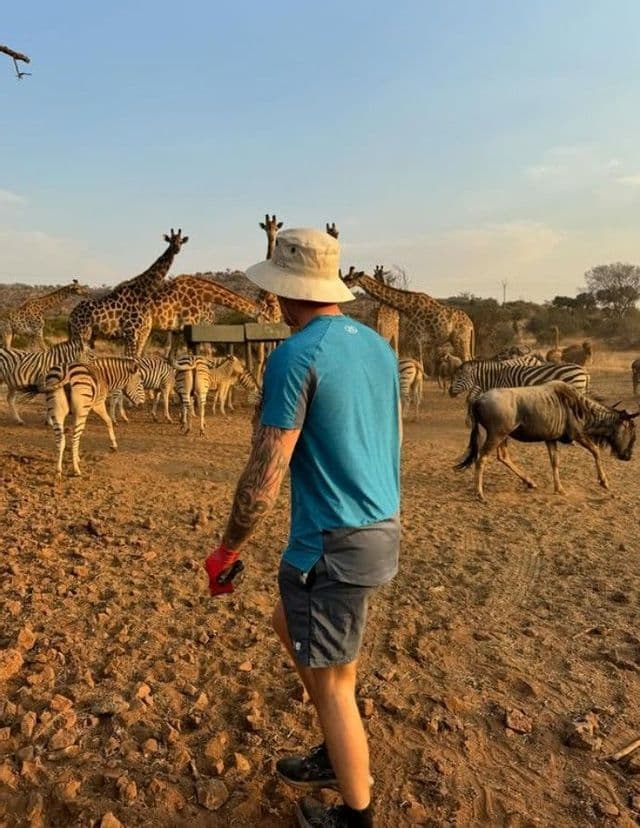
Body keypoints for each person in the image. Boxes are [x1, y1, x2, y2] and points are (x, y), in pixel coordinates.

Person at [204, 227, 401, 828]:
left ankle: (354, 815)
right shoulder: (376, 347)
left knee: (336, 681)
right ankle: (334, 752)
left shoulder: (295, 355)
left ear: (285, 292)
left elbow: (263, 478)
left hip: (330, 544)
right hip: (379, 529)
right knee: (288, 621)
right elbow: (390, 442)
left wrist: (227, 549)